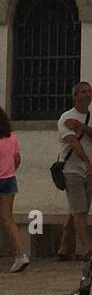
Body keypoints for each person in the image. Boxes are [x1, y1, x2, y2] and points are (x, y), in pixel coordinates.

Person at [56, 82, 92, 260]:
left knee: (78, 208)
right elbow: (73, 143)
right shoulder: (65, 118)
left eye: (90, 91)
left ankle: (63, 246)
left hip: (89, 171)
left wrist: (81, 126)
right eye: (83, 92)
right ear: (75, 96)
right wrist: (86, 163)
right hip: (72, 170)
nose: (87, 95)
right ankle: (86, 250)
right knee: (80, 211)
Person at [0, 107, 28, 272]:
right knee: (8, 219)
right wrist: (9, 170)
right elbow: (17, 159)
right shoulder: (12, 138)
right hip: (9, 180)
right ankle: (20, 254)